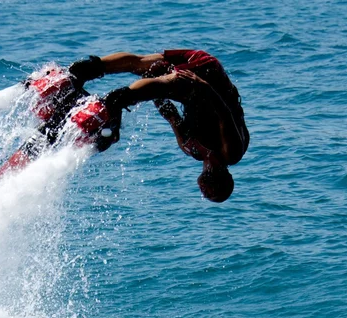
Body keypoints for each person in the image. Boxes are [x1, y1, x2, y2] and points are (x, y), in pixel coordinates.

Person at [68, 50, 249, 203]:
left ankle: (88, 72)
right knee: (154, 73)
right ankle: (105, 87)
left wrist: (146, 92)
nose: (205, 193)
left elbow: (169, 114)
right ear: (224, 181)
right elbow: (225, 114)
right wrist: (204, 85)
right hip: (210, 78)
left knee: (147, 72)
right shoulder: (231, 153)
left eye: (207, 195)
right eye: (212, 193)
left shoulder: (191, 148)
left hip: (192, 93)